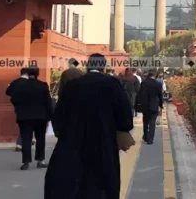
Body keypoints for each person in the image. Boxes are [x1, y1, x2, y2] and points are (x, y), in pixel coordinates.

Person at [45, 53, 134, 199]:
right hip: (103, 141)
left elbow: (59, 115)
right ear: (103, 67)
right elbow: (125, 117)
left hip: (74, 142)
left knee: (75, 182)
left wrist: (63, 135)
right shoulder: (112, 84)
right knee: (102, 183)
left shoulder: (72, 85)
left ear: (88, 66)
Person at [10, 67, 53, 170]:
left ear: (28, 74)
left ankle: (26, 162)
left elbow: (14, 99)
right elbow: (48, 101)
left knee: (26, 139)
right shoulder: (43, 86)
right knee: (40, 139)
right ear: (38, 74)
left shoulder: (21, 86)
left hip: (24, 117)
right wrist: (50, 115)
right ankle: (40, 160)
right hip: (40, 116)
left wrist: (21, 108)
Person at [135, 70, 163, 144]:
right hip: (154, 105)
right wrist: (160, 105)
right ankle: (150, 139)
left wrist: (138, 104)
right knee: (152, 123)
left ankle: (145, 136)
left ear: (148, 76)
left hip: (145, 105)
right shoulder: (158, 84)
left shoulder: (144, 83)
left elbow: (140, 94)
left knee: (145, 121)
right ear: (154, 76)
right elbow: (160, 96)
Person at [6, 67, 30, 151]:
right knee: (27, 124)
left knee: (22, 123)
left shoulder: (14, 82)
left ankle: (22, 142)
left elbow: (7, 92)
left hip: (17, 106)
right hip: (28, 106)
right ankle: (20, 143)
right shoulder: (29, 83)